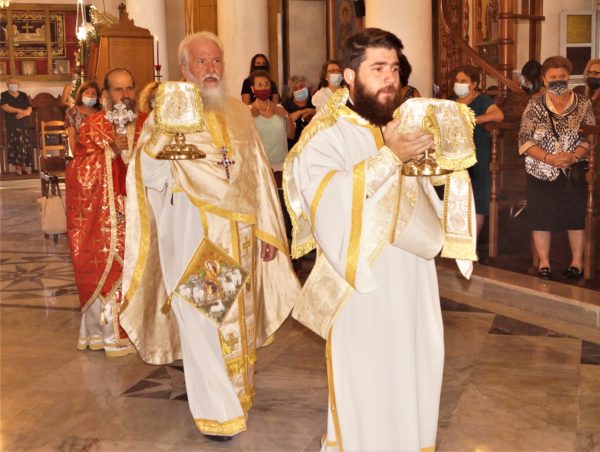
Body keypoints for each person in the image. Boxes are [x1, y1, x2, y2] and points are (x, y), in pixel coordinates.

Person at [283, 27, 473, 451]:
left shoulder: (402, 123)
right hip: (362, 283)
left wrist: (440, 163)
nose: (390, 78)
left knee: (415, 366)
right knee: (369, 377)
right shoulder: (326, 135)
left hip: (413, 273)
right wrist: (391, 157)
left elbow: (419, 191)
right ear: (350, 76)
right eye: (378, 68)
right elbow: (326, 201)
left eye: (395, 69)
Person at [121, 31, 299, 440]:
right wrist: (163, 137)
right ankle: (216, 412)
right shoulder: (166, 114)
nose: (211, 68)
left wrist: (268, 233)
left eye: (216, 60)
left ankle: (236, 395)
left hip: (240, 238)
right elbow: (147, 176)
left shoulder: (237, 112)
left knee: (235, 320)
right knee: (203, 321)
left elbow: (257, 176)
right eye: (201, 62)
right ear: (184, 68)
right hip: (196, 238)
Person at [66, 68, 148, 356]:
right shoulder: (93, 125)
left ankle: (144, 332)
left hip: (144, 214)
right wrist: (109, 151)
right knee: (112, 269)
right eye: (118, 89)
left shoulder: (147, 123)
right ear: (106, 94)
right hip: (107, 217)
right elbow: (77, 170)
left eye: (129, 88)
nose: (125, 95)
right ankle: (110, 335)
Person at [518, 55, 595, 280]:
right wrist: (548, 158)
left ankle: (576, 263)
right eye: (553, 77)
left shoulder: (583, 103)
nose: (558, 80)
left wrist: (573, 156)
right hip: (540, 169)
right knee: (541, 216)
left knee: (575, 216)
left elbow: (590, 138)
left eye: (562, 76)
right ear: (544, 79)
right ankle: (544, 262)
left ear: (568, 77)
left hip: (573, 169)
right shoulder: (535, 104)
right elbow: (524, 138)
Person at [453, 64, 504, 238]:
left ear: (473, 84)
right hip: (457, 157)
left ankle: (472, 244)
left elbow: (498, 115)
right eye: (457, 80)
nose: (459, 84)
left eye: (463, 81)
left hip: (478, 156)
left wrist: (473, 119)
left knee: (477, 201)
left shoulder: (482, 100)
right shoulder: (452, 103)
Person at [249, 69, 292, 171]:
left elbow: (291, 135)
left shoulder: (279, 108)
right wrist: (247, 117)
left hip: (281, 165)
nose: (263, 88)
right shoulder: (248, 111)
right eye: (259, 85)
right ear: (252, 89)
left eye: (266, 84)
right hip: (259, 166)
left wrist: (287, 116)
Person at [0, 77, 34, 175]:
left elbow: (29, 109)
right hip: (12, 124)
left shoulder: (23, 95)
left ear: (18, 84)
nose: (13, 84)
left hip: (24, 123)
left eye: (15, 83)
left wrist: (23, 114)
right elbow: (5, 107)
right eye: (10, 83)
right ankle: (18, 167)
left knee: (26, 145)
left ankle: (25, 166)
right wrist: (19, 111)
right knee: (16, 144)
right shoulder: (4, 95)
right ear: (7, 85)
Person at [64, 81, 101, 154]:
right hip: (81, 153)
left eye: (94, 94)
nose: (90, 96)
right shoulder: (72, 112)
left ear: (97, 97)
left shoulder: (101, 112)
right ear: (81, 95)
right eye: (87, 93)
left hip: (101, 152)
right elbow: (72, 138)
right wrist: (76, 156)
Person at [282, 74, 316, 150]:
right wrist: (303, 111)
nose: (299, 90)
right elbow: (286, 120)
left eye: (301, 86)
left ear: (307, 87)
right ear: (291, 92)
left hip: (313, 145)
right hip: (293, 146)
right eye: (295, 88)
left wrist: (314, 112)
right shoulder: (286, 104)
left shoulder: (314, 101)